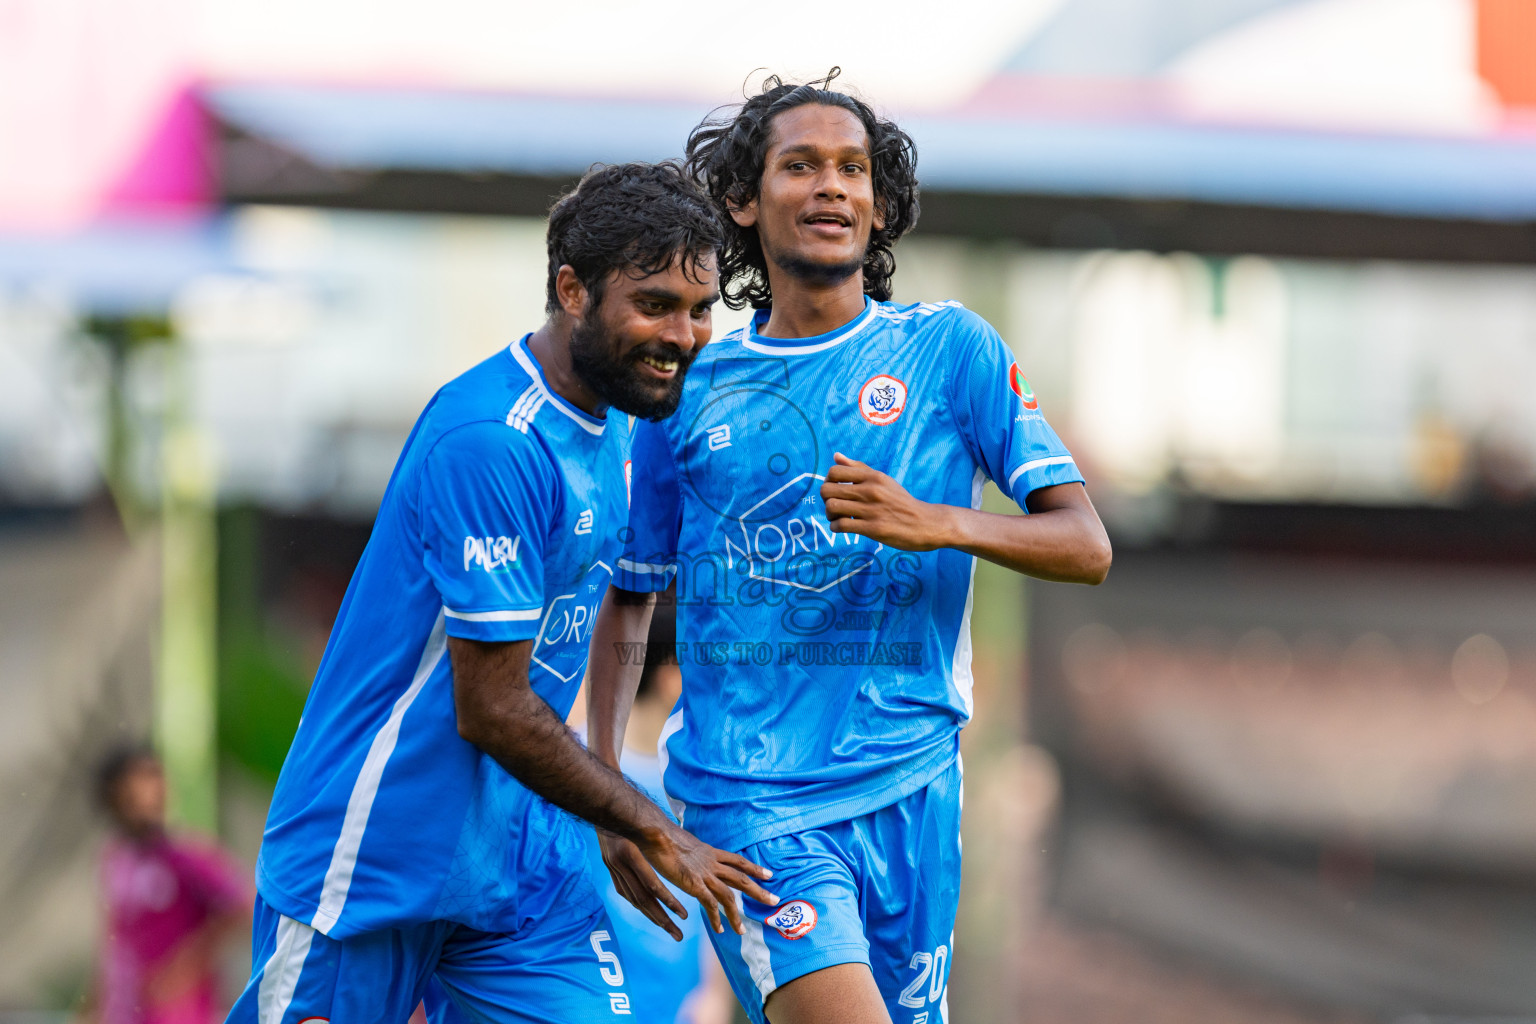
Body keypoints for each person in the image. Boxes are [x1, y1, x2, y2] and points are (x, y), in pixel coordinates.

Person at [586, 74, 1112, 1024]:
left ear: (879, 203)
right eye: (802, 165)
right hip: (751, 804)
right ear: (745, 201)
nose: (833, 186)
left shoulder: (954, 352)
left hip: (916, 785)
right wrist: (606, 793)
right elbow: (630, 592)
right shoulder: (694, 385)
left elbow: (1085, 543)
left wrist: (939, 521)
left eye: (854, 168)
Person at [227, 162, 775, 1024]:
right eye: (656, 305)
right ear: (572, 290)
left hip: (524, 867)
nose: (686, 335)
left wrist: (606, 807)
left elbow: (627, 604)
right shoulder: (492, 441)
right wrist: (651, 824)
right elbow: (491, 705)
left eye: (701, 308)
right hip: (376, 864)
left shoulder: (633, 424)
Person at [582, 595, 736, 1024]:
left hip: (683, 1001)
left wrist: (713, 994)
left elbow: (721, 895)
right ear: (672, 675)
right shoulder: (576, 775)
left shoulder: (702, 781)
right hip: (597, 990)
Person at [86, 746, 249, 1024]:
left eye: (156, 778)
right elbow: (116, 943)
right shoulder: (115, 858)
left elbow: (245, 907)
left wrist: (184, 967)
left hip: (176, 1015)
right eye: (140, 782)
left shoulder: (188, 855)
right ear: (115, 795)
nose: (153, 790)